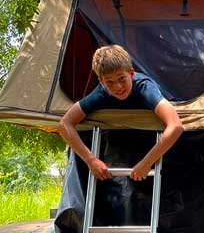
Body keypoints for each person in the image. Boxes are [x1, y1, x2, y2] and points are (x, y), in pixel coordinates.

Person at [58, 44, 184, 181]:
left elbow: (176, 125)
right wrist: (91, 160)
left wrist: (147, 163)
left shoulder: (144, 88)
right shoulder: (101, 93)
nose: (117, 87)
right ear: (101, 82)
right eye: (109, 82)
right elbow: (65, 124)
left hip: (154, 146)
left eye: (121, 78)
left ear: (131, 73)